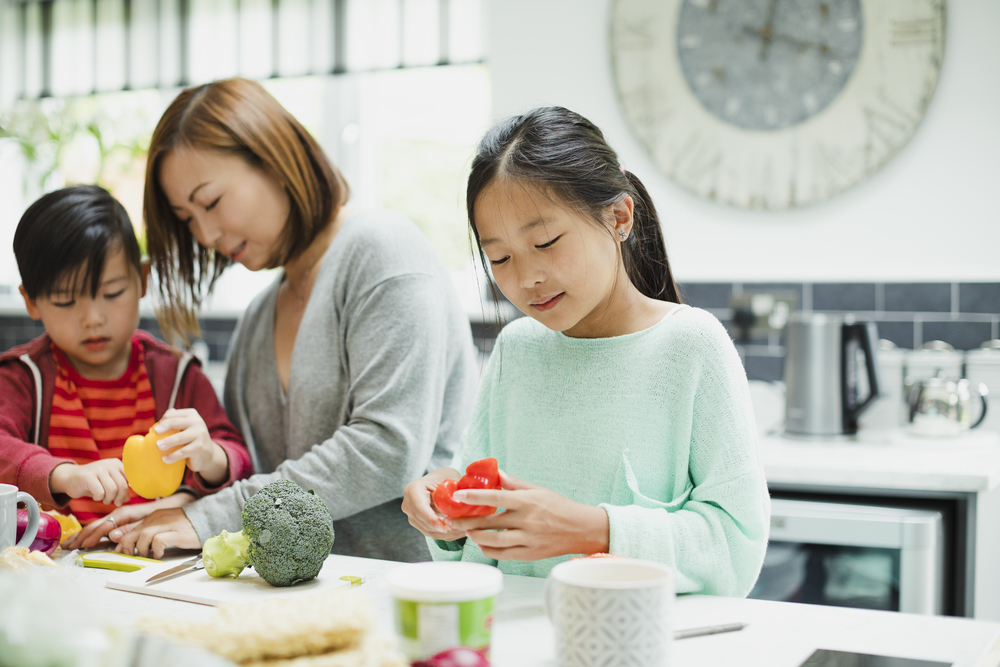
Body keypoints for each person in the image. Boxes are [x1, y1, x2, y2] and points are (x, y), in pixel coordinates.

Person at [79, 78, 479, 561]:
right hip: (295, 596)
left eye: (210, 202)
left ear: (275, 160)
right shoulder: (257, 319)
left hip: (406, 590)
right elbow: (252, 474)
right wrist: (183, 503)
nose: (205, 234)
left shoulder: (383, 251)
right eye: (187, 218)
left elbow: (387, 451)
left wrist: (207, 517)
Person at [401, 107, 770, 596]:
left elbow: (734, 547)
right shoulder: (518, 348)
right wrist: (445, 502)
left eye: (547, 242)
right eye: (501, 258)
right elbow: (481, 530)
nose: (526, 277)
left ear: (619, 217)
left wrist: (591, 529)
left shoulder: (691, 346)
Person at [0, 185, 252, 535]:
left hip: (157, 562)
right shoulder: (22, 378)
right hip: (51, 570)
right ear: (31, 301)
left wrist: (210, 456)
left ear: (143, 280)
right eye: (65, 301)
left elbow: (239, 459)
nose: (93, 318)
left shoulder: (177, 374)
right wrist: (64, 475)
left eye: (112, 293)